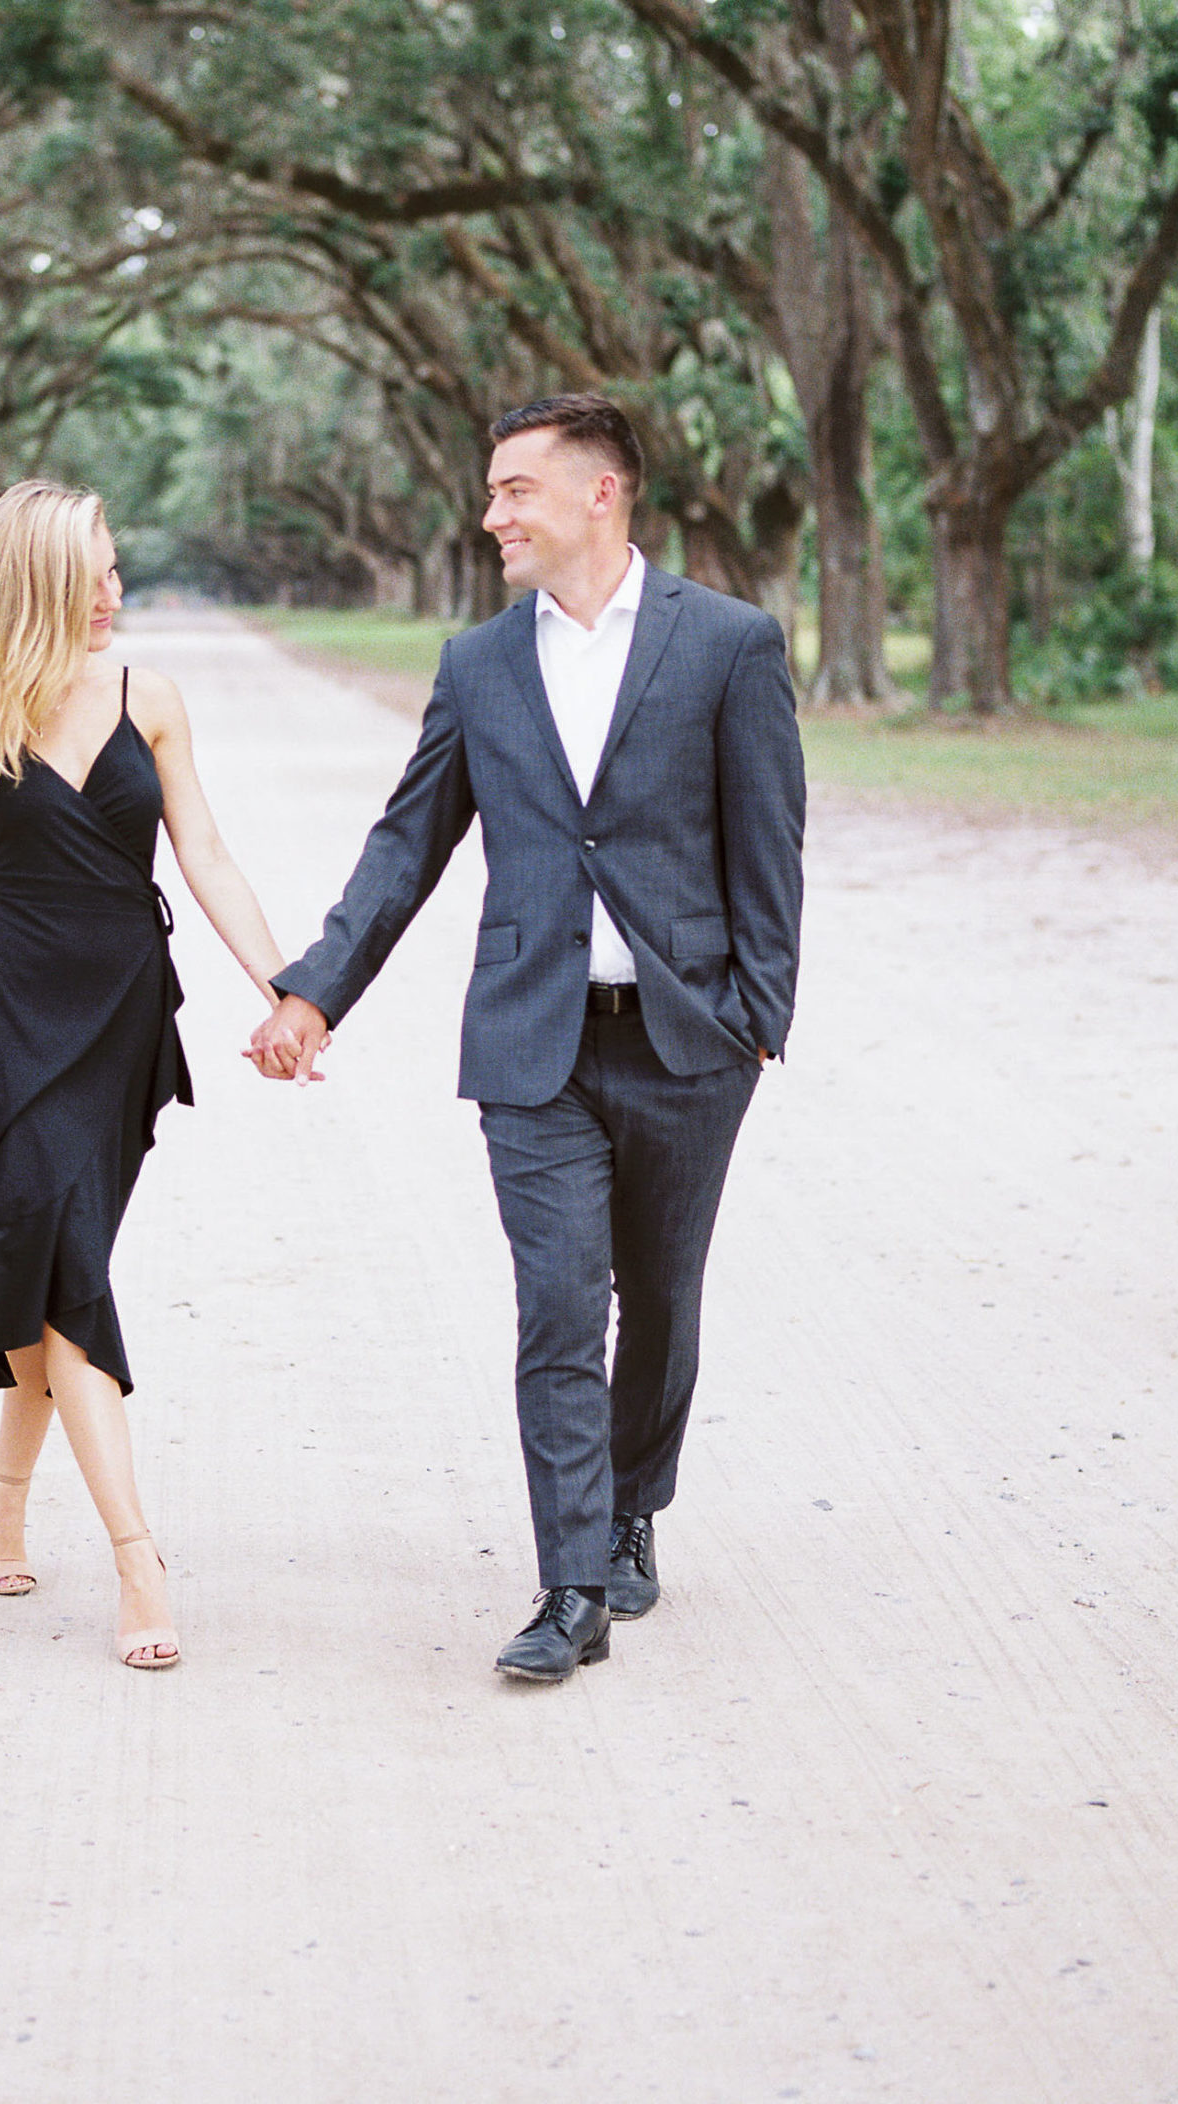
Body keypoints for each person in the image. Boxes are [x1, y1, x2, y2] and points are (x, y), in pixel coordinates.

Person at [249, 394, 805, 1684]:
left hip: (686, 1040)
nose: (491, 513)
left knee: (659, 1301)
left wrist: (758, 1019)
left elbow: (768, 840)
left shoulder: (727, 643)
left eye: (514, 490)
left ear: (599, 493)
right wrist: (312, 991)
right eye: (491, 491)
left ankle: (629, 1508)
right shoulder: (477, 665)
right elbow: (407, 846)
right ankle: (569, 1586)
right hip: (531, 1046)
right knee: (559, 1307)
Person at [0, 480, 286, 1670]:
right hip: (10, 1017)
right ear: (35, 581)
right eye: (92, 572)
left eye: (115, 567)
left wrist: (282, 987)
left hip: (120, 1019)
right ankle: (137, 1559)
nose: (114, 592)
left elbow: (201, 847)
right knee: (68, 1279)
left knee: (61, 1267)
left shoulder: (150, 697)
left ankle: (0, 1492)